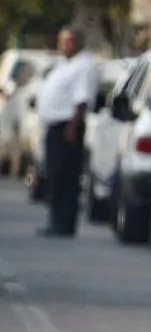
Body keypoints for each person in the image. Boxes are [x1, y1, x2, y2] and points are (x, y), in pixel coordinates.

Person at [35, 26, 97, 237]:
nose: (64, 45)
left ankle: (64, 224)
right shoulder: (64, 64)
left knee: (65, 176)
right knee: (54, 175)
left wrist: (73, 126)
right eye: (62, 41)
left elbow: (81, 100)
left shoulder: (84, 65)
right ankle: (55, 221)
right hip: (55, 126)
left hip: (68, 126)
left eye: (69, 41)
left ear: (80, 42)